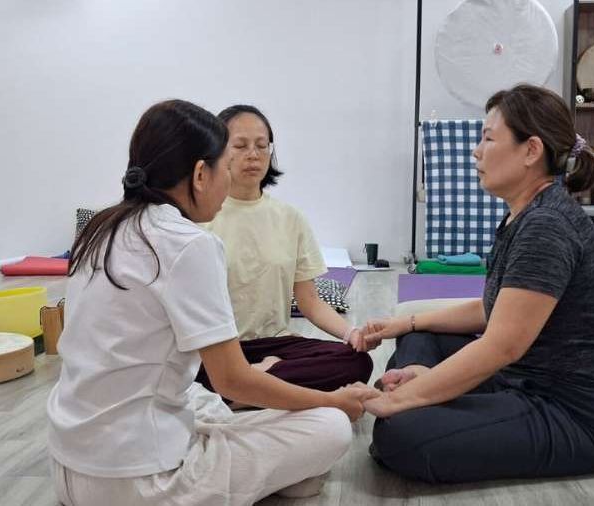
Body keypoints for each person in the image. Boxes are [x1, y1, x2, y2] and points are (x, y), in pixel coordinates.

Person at [46, 99, 378, 506]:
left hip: (67, 465)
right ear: (202, 174)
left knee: (202, 399)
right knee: (330, 427)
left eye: (262, 145)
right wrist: (333, 402)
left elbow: (304, 301)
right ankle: (272, 473)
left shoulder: (101, 229)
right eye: (229, 159)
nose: (246, 162)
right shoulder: (190, 244)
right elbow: (232, 380)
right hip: (141, 481)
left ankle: (275, 472)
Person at [360, 84, 594, 484]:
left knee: (401, 435)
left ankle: (418, 403)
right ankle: (425, 393)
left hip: (579, 415)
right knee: (420, 340)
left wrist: (401, 399)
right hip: (524, 377)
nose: (476, 151)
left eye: (489, 138)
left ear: (531, 151)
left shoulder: (547, 225)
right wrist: (406, 323)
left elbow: (502, 344)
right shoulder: (524, 215)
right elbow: (495, 309)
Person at [195, 104, 373, 398]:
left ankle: (251, 387)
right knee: (185, 375)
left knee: (357, 361)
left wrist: (351, 333)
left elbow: (310, 301)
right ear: (217, 152)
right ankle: (259, 386)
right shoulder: (202, 215)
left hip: (274, 344)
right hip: (217, 350)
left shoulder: (290, 218)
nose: (253, 154)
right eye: (240, 145)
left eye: (262, 145)